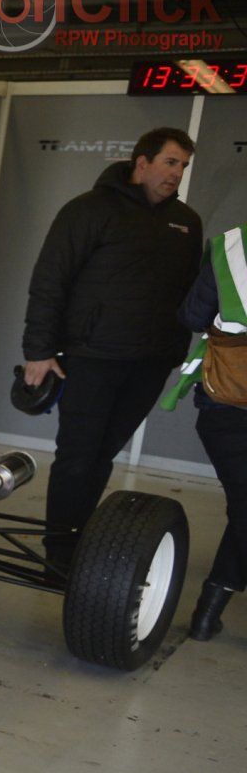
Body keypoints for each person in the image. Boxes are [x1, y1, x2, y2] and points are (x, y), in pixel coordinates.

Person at [20, 127, 202, 569]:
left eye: (182, 166)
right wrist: (39, 350)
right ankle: (59, 558)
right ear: (142, 163)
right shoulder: (89, 210)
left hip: (150, 363)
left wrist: (178, 349)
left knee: (102, 456)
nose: (176, 174)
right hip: (90, 358)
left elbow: (187, 292)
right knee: (78, 458)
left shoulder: (186, 222)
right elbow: (50, 280)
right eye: (170, 162)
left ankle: (82, 542)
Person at [166, 225, 247, 640]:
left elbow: (192, 316)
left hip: (226, 399)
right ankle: (205, 612)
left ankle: (206, 613)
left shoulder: (230, 248)